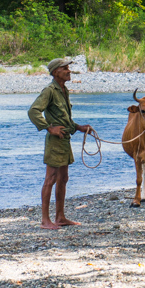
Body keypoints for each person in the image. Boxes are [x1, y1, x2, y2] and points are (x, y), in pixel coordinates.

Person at [28, 58, 95, 230]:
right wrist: (49, 128)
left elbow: (65, 119)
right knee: (50, 179)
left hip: (65, 140)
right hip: (55, 141)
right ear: (55, 72)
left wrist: (79, 127)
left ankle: (60, 217)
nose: (69, 71)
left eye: (68, 68)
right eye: (65, 68)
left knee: (63, 179)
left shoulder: (64, 90)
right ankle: (45, 221)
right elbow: (33, 111)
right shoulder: (49, 91)